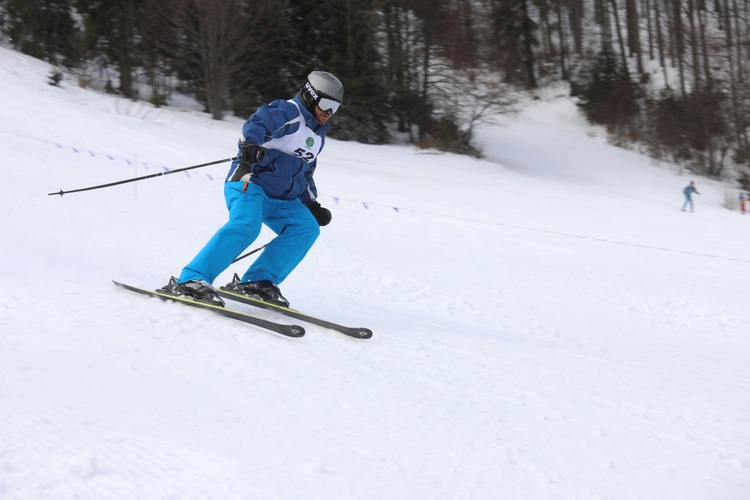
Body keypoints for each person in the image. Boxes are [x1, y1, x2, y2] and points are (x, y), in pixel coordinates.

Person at [159, 71, 344, 307]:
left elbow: (305, 173)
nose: (329, 112)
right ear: (310, 96)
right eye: (326, 104)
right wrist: (251, 144)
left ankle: (258, 281)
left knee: (306, 228)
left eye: (335, 108)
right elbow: (260, 122)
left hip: (283, 199)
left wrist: (311, 204)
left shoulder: (318, 136)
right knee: (246, 226)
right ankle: (192, 280)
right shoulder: (289, 112)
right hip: (250, 182)